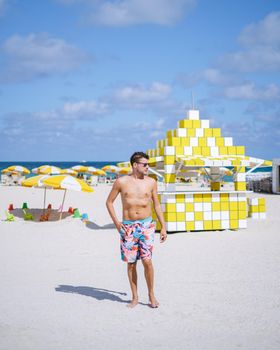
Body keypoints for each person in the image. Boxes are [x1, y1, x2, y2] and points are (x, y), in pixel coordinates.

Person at [106, 151, 167, 308]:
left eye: (148, 164)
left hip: (147, 226)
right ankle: (135, 297)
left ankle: (151, 295)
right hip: (128, 227)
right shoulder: (121, 182)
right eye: (145, 164)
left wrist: (163, 227)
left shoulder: (151, 182)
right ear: (135, 165)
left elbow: (157, 204)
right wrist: (117, 224)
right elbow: (109, 202)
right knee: (131, 263)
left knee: (147, 261)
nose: (148, 167)